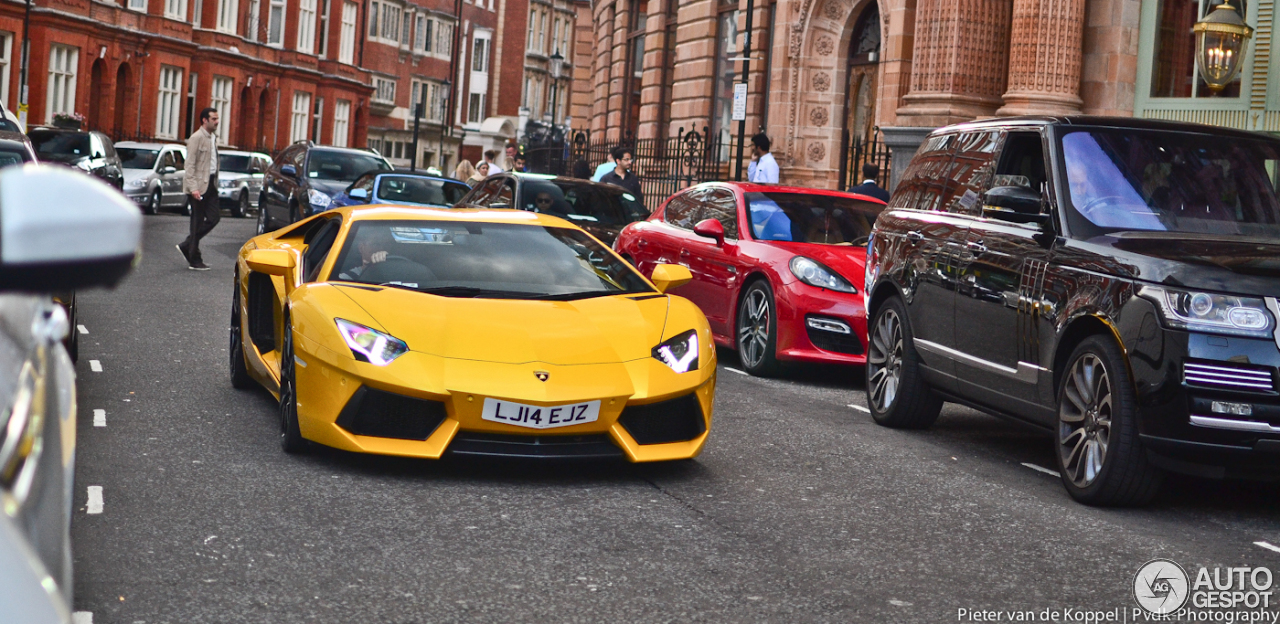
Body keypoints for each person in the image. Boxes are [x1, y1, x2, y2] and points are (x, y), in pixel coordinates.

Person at [176, 107, 221, 271]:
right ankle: (194, 258)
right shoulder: (196, 138)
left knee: (214, 218)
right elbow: (189, 165)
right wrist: (193, 188)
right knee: (196, 223)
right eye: (213, 119)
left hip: (211, 184)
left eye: (217, 118)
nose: (217, 121)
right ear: (204, 120)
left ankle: (188, 245)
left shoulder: (213, 138)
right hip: (198, 186)